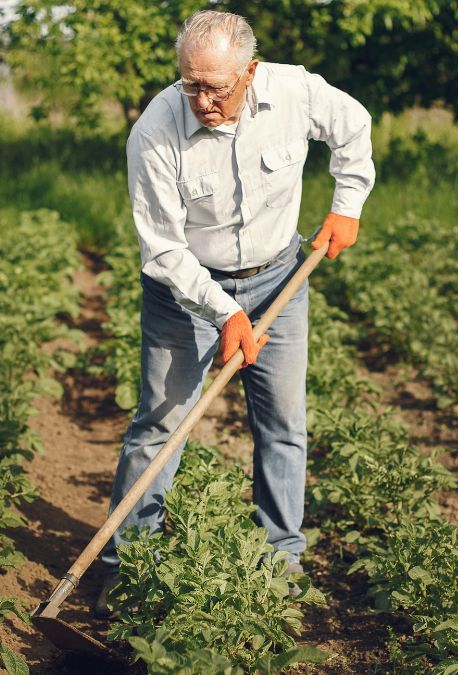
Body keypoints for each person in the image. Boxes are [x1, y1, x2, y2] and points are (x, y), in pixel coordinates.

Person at [94, 9, 375, 618]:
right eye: (190, 84)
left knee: (283, 424)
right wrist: (225, 313)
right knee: (160, 425)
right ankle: (128, 566)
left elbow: (353, 126)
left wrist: (347, 204)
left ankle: (282, 562)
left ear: (249, 71)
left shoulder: (294, 91)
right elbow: (164, 249)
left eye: (215, 86)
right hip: (185, 294)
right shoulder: (155, 131)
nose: (201, 99)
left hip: (280, 278)